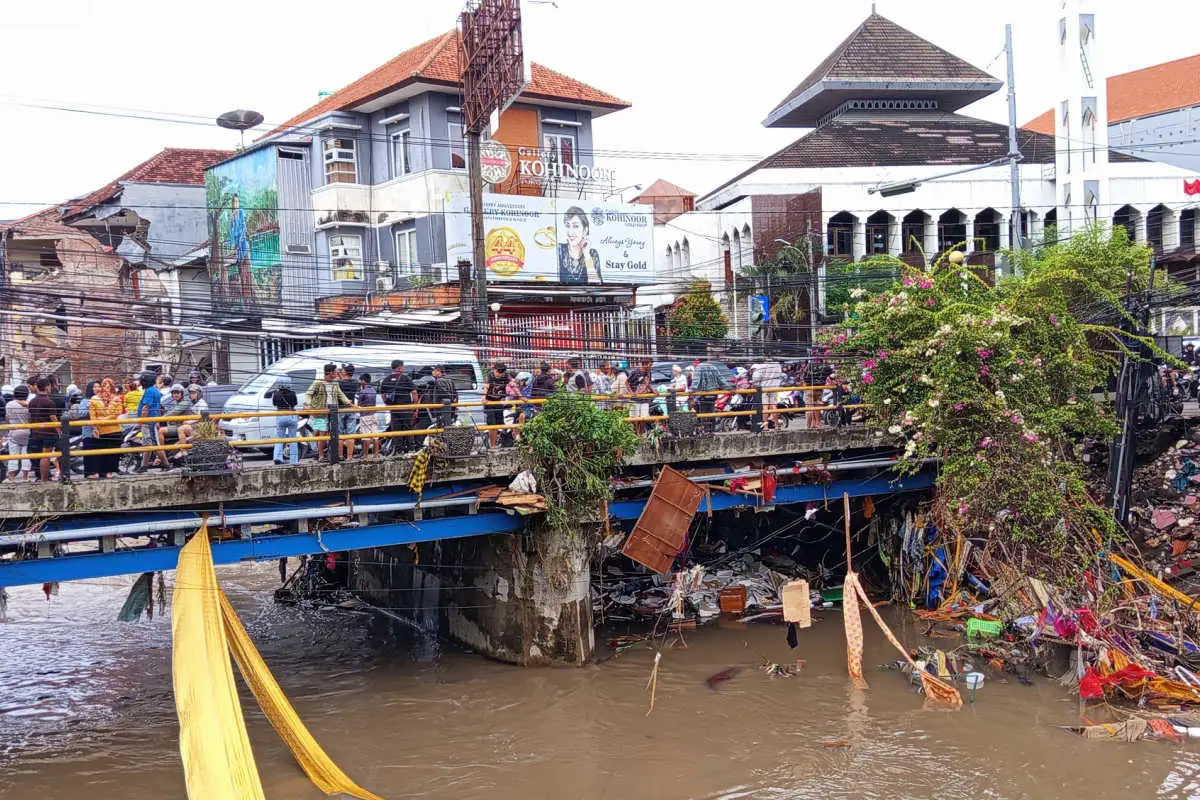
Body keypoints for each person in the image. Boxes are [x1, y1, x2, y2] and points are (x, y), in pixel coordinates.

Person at [306, 363, 352, 462]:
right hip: (320, 412)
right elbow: (309, 394)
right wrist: (308, 405)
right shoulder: (318, 383)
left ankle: (331, 454)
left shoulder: (335, 383)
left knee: (333, 434)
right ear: (330, 372)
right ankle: (321, 455)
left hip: (333, 412)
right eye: (335, 372)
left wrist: (349, 403)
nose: (337, 373)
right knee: (322, 434)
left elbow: (340, 394)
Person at [87, 378, 125, 478]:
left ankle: (110, 472)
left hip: (114, 430)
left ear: (112, 387)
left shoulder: (116, 398)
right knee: (100, 453)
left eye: (109, 386)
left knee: (113, 453)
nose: (106, 388)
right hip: (100, 431)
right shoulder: (94, 399)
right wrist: (94, 427)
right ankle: (100, 472)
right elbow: (92, 416)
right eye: (104, 386)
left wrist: (102, 420)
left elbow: (117, 413)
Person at [557, 206, 603, 284]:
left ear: (585, 230)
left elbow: (596, 286)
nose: (570, 232)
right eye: (568, 226)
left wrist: (586, 254)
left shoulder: (592, 254)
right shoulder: (559, 250)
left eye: (575, 226)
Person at [380, 360, 418, 454]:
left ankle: (398, 449)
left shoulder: (386, 379)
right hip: (405, 408)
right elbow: (414, 393)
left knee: (396, 429)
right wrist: (415, 406)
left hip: (393, 409)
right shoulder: (405, 378)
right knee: (408, 428)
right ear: (400, 368)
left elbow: (383, 394)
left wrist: (388, 404)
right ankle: (411, 449)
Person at [28, 377, 59, 482]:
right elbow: (53, 418)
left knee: (39, 455)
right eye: (49, 386)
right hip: (48, 433)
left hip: (36, 432)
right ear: (46, 387)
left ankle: (41, 478)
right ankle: (44, 479)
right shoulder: (49, 402)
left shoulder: (32, 401)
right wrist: (59, 430)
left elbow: (30, 417)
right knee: (45, 457)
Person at [134, 373, 165, 473]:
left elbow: (145, 408)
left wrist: (140, 422)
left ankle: (166, 464)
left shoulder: (149, 391)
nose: (139, 382)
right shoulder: (154, 390)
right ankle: (144, 466)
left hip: (148, 421)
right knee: (147, 444)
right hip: (151, 420)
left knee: (154, 444)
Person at [692, 355, 731, 432]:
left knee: (704, 413)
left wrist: (691, 390)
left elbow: (696, 381)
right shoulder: (713, 367)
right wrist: (729, 388)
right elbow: (721, 379)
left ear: (698, 360)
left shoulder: (699, 367)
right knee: (711, 412)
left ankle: (706, 430)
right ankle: (711, 430)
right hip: (713, 394)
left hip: (704, 394)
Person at [158, 384, 192, 465]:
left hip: (181, 426)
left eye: (177, 393)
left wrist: (159, 419)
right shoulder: (178, 402)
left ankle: (161, 456)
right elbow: (169, 411)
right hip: (177, 425)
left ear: (182, 393)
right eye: (173, 393)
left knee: (161, 431)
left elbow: (173, 413)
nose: (175, 394)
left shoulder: (185, 403)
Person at [5, 385, 32, 482]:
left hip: (14, 431)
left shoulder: (9, 405)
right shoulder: (29, 405)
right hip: (27, 432)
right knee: (26, 455)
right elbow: (30, 418)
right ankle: (25, 477)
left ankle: (11, 478)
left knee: (13, 455)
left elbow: (7, 418)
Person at [270, 378, 299, 465]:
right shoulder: (292, 393)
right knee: (293, 439)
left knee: (279, 438)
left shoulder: (275, 394)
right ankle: (294, 461)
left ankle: (277, 458)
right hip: (291, 416)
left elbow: (274, 404)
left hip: (280, 416)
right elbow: (295, 403)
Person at [484, 362, 509, 449]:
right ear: (494, 370)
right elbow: (486, 387)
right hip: (490, 402)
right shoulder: (489, 376)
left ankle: (495, 443)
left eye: (502, 372)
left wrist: (521, 396)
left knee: (498, 424)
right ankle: (492, 445)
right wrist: (483, 398)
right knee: (492, 425)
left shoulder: (506, 376)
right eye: (499, 371)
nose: (500, 373)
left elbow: (513, 384)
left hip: (498, 403)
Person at [356, 373, 380, 460]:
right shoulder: (374, 390)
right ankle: (376, 454)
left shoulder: (362, 391)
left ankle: (366, 456)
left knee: (366, 436)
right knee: (375, 435)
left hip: (365, 415)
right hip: (374, 414)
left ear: (363, 381)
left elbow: (359, 404)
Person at [338, 364, 359, 461]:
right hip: (351, 409)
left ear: (345, 372)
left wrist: (339, 376)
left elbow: (342, 385)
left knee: (339, 434)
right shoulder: (356, 383)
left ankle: (340, 455)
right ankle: (350, 456)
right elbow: (346, 382)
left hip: (340, 409)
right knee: (351, 434)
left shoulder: (339, 383)